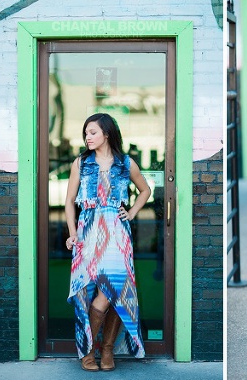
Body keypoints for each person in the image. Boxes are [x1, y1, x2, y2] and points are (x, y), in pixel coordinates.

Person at [64, 113, 150, 371]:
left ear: (107, 134)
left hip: (117, 233)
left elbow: (145, 189)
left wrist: (132, 212)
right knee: (91, 291)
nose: (88, 137)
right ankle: (89, 350)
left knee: (113, 290)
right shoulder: (81, 163)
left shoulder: (126, 163)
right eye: (86, 133)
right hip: (88, 232)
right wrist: (72, 233)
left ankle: (107, 349)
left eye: (92, 132)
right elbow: (69, 201)